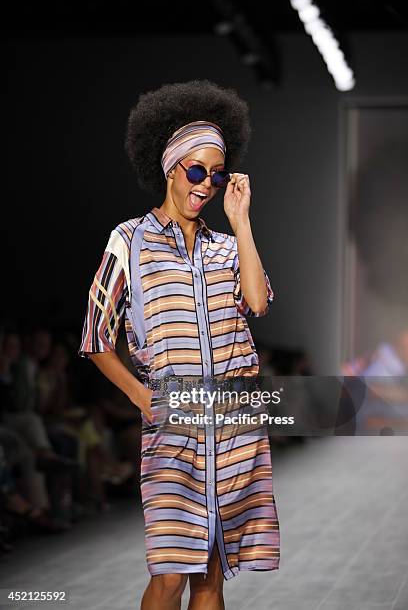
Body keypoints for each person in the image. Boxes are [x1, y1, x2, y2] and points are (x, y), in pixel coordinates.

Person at [78, 79, 280, 609]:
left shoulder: (224, 248)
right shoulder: (129, 241)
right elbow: (96, 339)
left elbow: (257, 303)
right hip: (174, 429)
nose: (206, 184)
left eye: (216, 174)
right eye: (196, 171)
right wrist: (141, 398)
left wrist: (241, 223)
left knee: (211, 574)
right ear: (170, 168)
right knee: (170, 571)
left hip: (234, 424)